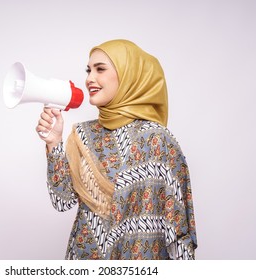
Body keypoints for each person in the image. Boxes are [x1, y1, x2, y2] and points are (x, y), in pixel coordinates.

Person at [36, 39, 197, 260]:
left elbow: (177, 227)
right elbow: (62, 202)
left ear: (128, 75)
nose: (89, 78)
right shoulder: (83, 134)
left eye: (100, 69)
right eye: (88, 70)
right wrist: (54, 142)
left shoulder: (157, 140)